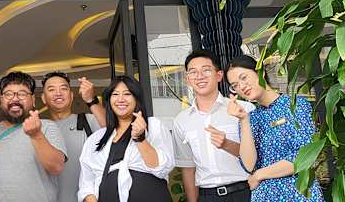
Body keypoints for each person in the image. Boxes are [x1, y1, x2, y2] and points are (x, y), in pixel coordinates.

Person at [225, 55, 324, 202]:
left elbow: (305, 156)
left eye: (244, 77)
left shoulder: (296, 105)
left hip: (299, 193)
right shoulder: (249, 118)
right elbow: (249, 165)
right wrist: (244, 120)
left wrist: (259, 175)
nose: (242, 86)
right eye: (235, 85)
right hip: (264, 196)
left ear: (260, 72)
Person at [173, 50, 254, 202]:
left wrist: (226, 144)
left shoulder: (244, 109)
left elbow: (258, 156)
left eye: (206, 70)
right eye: (193, 72)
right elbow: (188, 168)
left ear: (219, 75)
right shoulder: (181, 121)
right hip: (207, 196)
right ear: (187, 79)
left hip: (245, 191)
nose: (199, 76)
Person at [78, 75, 174, 202]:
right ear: (109, 100)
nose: (121, 99)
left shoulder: (152, 125)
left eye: (127, 94)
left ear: (137, 98)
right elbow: (86, 184)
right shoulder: (96, 138)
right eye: (115, 94)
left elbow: (162, 167)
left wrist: (140, 139)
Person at [0, 71, 67, 202]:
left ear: (33, 100)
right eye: (8, 94)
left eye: (22, 94)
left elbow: (56, 167)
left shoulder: (47, 127)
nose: (15, 99)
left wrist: (36, 135)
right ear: (1, 100)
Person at [41, 72, 106, 202]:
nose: (58, 93)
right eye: (51, 89)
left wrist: (91, 100)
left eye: (63, 88)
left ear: (71, 96)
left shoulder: (87, 121)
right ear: (43, 98)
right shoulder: (38, 130)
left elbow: (113, 131)